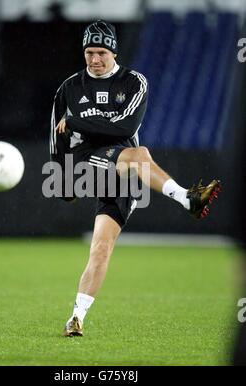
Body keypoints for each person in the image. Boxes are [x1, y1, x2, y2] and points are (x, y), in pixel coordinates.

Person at [50, 20, 221, 337]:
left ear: (113, 51)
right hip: (85, 165)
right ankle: (188, 199)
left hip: (122, 175)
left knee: (101, 249)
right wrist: (62, 178)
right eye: (89, 52)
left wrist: (77, 121)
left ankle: (76, 317)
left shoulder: (133, 82)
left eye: (101, 52)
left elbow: (124, 130)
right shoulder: (69, 88)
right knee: (140, 155)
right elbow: (55, 138)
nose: (95, 59)